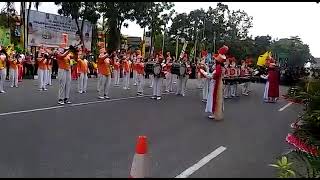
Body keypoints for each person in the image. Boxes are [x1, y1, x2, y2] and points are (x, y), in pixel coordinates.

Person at [206, 45, 228, 120]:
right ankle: (217, 112)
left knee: (213, 97)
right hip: (219, 83)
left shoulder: (218, 67)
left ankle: (214, 112)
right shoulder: (221, 67)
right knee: (218, 98)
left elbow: (213, 76)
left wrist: (204, 73)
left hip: (215, 83)